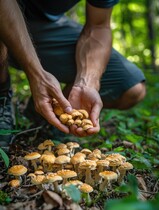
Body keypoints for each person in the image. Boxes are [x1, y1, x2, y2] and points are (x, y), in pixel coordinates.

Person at [0, 0, 146, 147]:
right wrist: (36, 74)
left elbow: (98, 26)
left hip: (46, 27)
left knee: (132, 88)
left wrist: (87, 83)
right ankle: (2, 97)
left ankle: (46, 112)